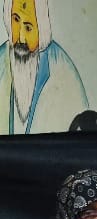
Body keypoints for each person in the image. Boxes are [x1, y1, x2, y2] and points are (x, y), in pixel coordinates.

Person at [0, 0, 89, 134]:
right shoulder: (1, 59)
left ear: (41, 27)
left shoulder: (63, 71)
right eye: (16, 20)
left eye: (28, 28)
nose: (21, 38)